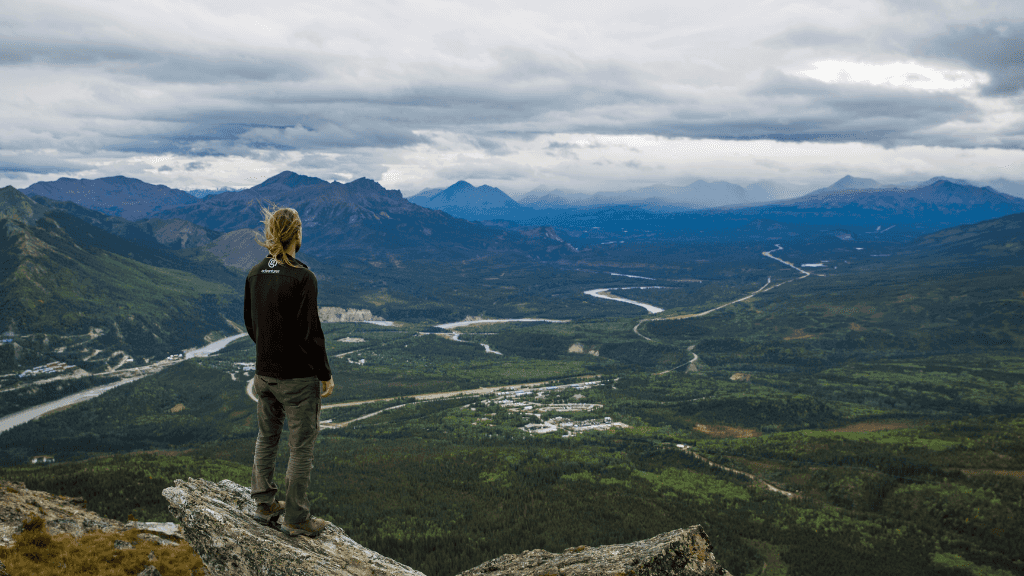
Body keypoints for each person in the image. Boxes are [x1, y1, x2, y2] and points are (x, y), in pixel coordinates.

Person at [244, 205, 334, 537]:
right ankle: (296, 518)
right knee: (301, 447)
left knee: (267, 436)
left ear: (271, 234)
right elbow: (311, 332)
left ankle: (264, 502)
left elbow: (252, 324)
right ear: (297, 233)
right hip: (297, 378)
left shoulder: (255, 273)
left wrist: (268, 354)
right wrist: (324, 373)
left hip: (264, 375)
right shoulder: (303, 277)